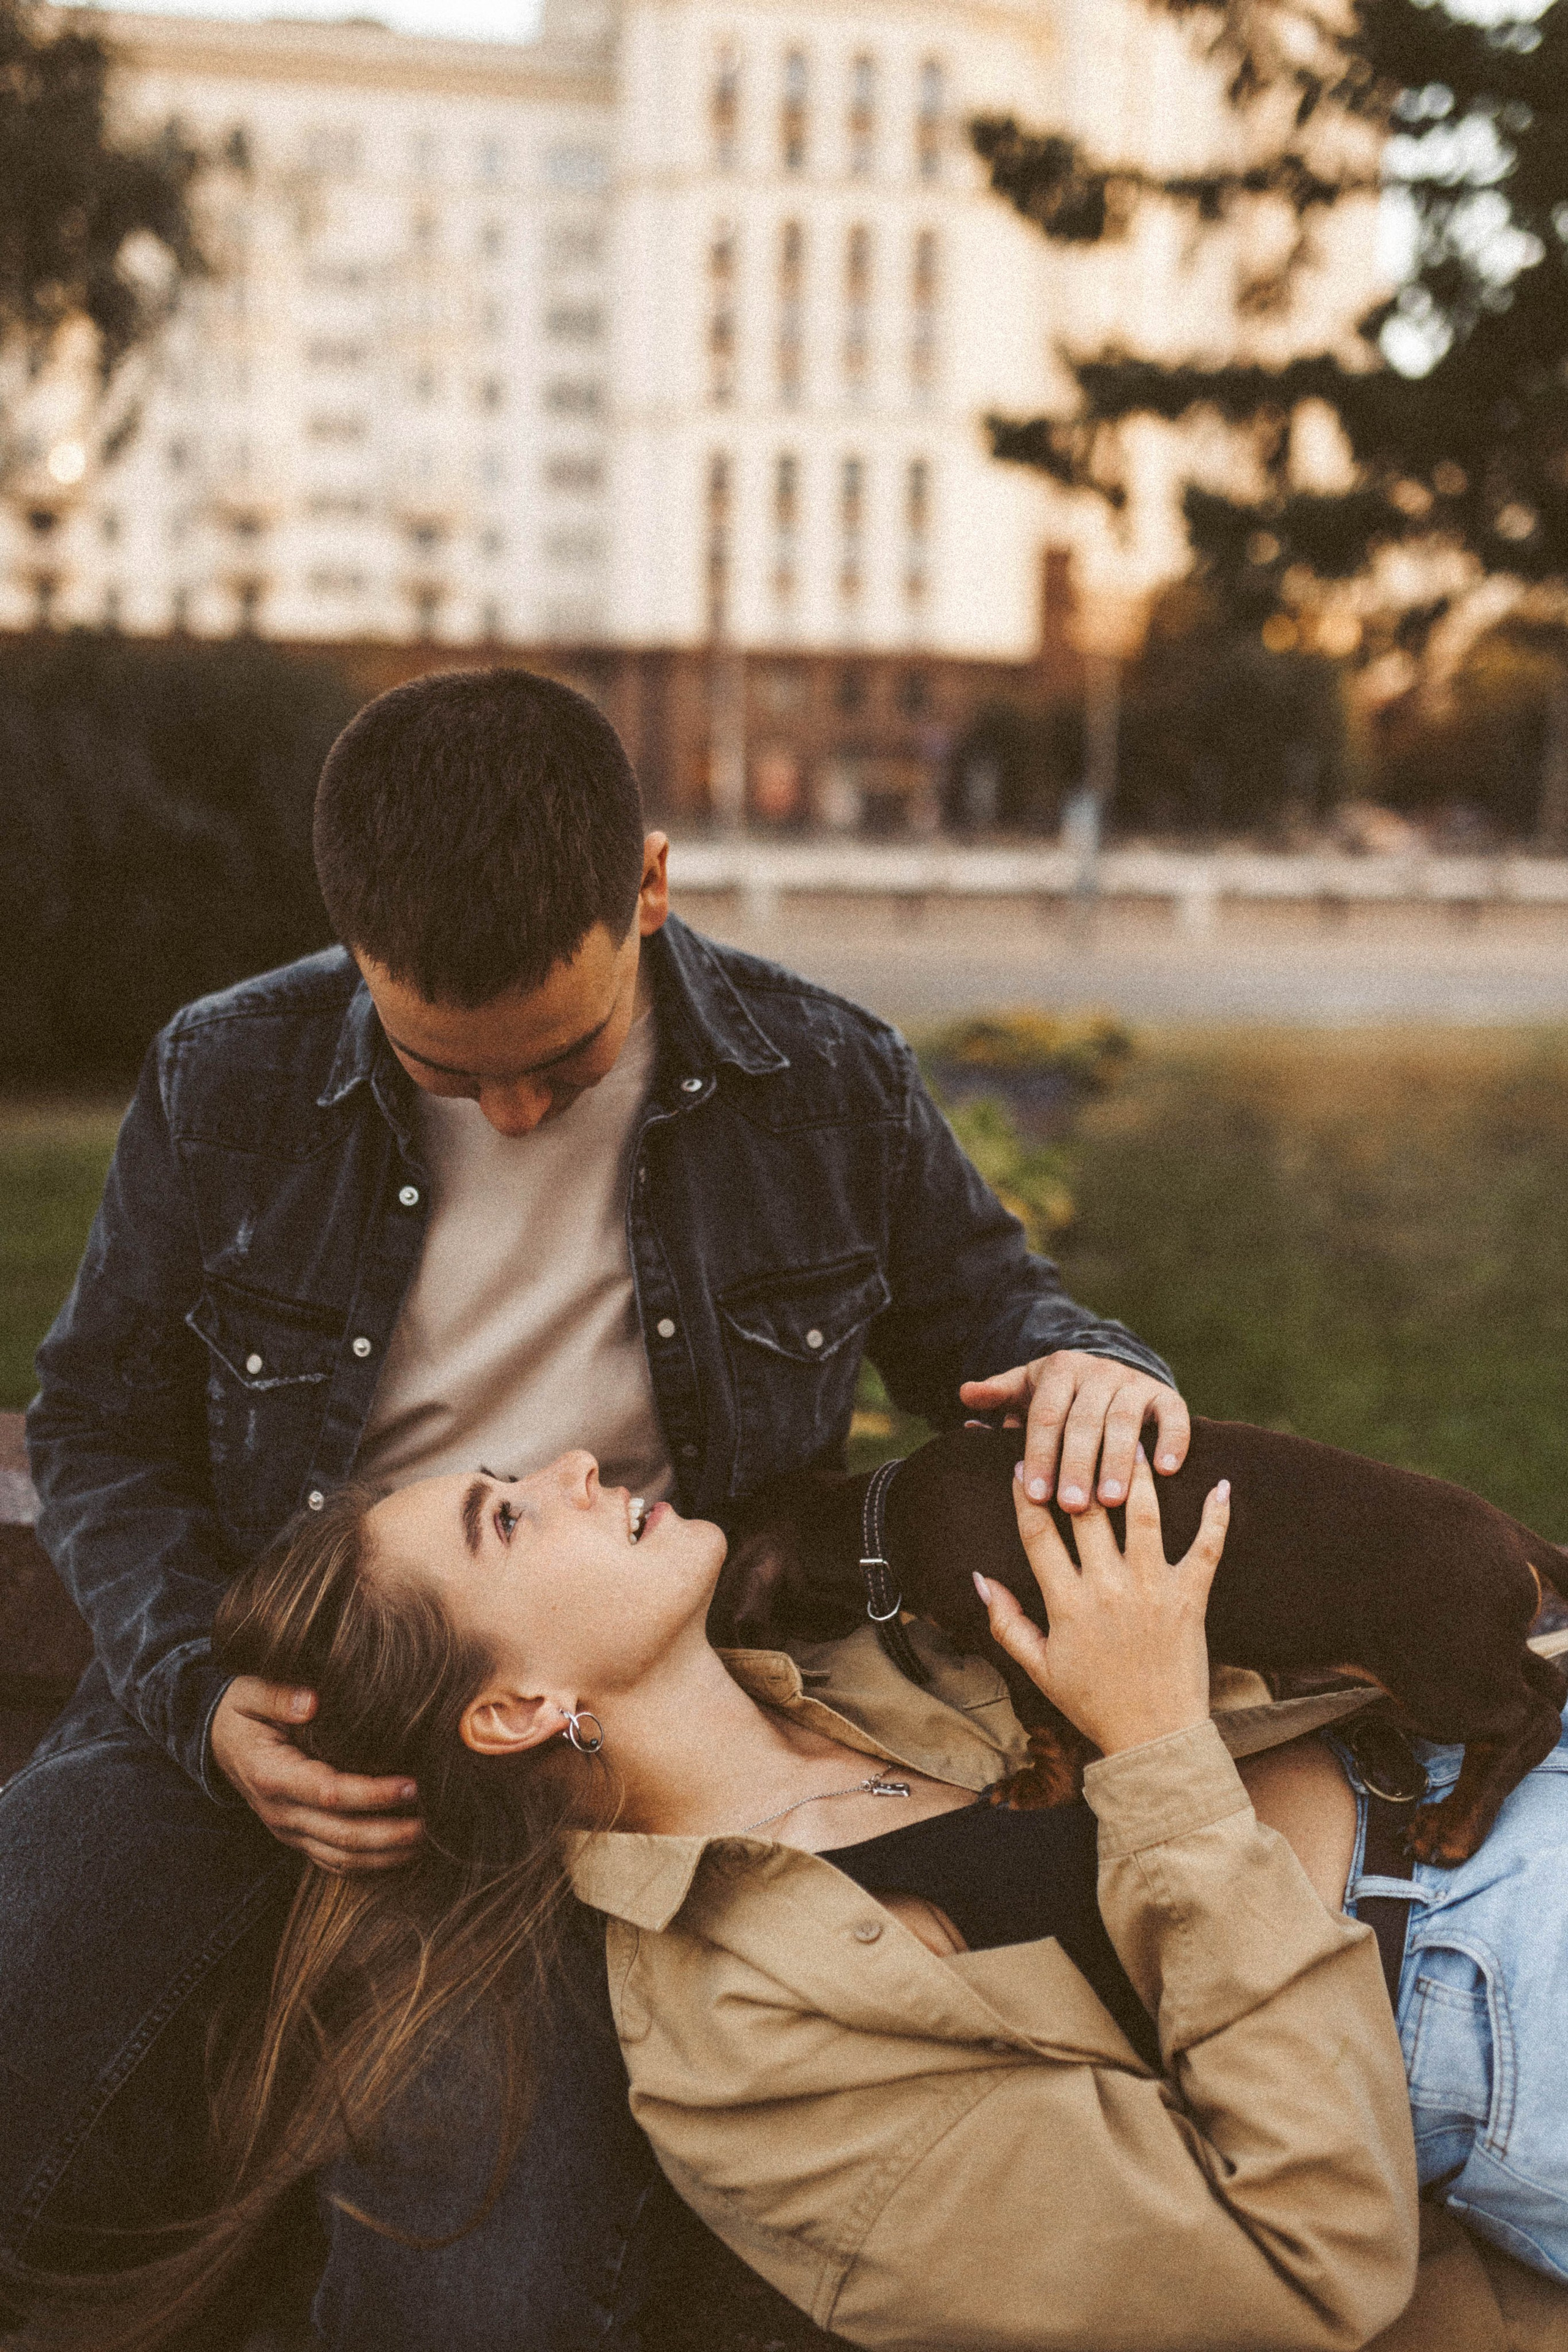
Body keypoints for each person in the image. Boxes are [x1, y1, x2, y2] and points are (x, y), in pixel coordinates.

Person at [1, 667, 1188, 2345]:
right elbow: (105, 1423)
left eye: (558, 1057)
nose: (511, 1113)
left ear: (648, 884)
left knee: (486, 2263)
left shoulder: (824, 1078)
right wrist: (205, 1700)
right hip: (264, 1666)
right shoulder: (230, 1071)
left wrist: (1087, 1364)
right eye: (443, 1066)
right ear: (353, 945)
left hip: (594, 1751)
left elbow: (993, 1317)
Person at [36, 1441, 1436, 2351]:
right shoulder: (749, 2051)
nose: (578, 1464)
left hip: (1476, 1765)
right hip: (1467, 1983)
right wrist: (1150, 1748)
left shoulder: (866, 1646)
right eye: (509, 1517)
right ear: (522, 1707)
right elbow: (1304, 2272)